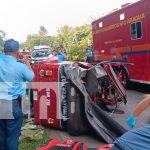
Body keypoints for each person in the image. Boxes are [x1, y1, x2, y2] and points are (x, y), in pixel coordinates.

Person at [0, 39, 34, 150]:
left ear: (4, 50)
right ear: (17, 51)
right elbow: (31, 77)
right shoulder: (20, 67)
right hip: (13, 105)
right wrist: (27, 62)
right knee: (12, 138)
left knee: (1, 137)